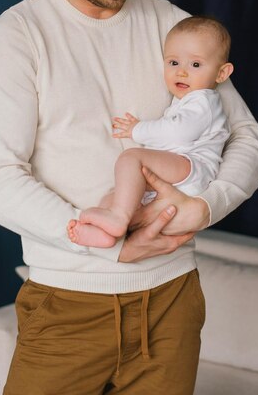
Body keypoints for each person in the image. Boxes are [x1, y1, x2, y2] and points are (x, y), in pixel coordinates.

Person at [0, 0, 258, 395]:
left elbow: (248, 138)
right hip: (67, 302)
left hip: (172, 298)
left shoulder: (172, 24)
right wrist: (109, 248)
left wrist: (206, 207)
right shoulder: (16, 37)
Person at [68, 16, 234, 248]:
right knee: (114, 197)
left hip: (192, 166)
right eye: (173, 63)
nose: (182, 72)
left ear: (222, 73)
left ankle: (117, 218)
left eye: (195, 65)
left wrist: (138, 129)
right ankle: (111, 233)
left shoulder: (202, 101)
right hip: (177, 175)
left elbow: (179, 133)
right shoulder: (187, 99)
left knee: (131, 158)